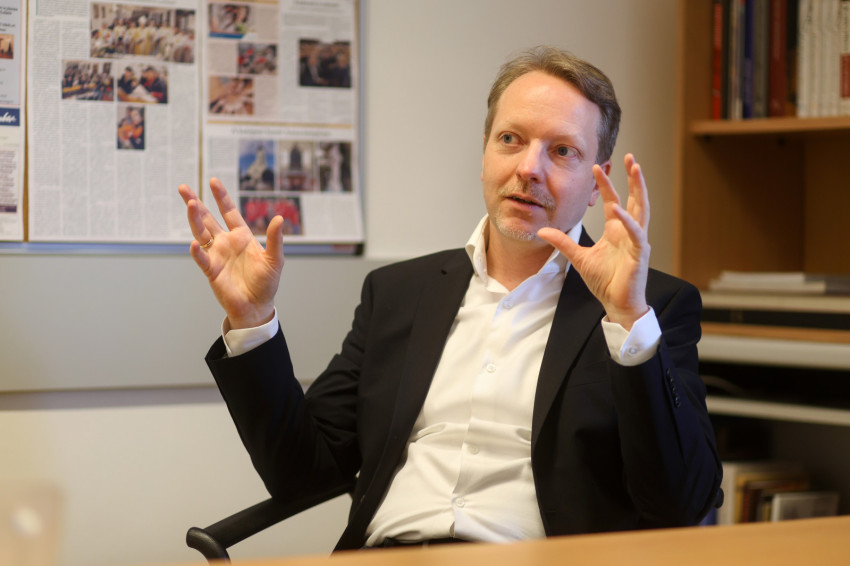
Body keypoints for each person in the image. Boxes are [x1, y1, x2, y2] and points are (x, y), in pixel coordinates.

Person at [178, 46, 722, 551]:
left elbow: (680, 502)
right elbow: (304, 473)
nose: (528, 168)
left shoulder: (651, 308)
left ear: (596, 180)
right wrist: (253, 320)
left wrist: (628, 319)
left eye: (562, 151)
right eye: (510, 139)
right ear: (485, 154)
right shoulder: (399, 293)